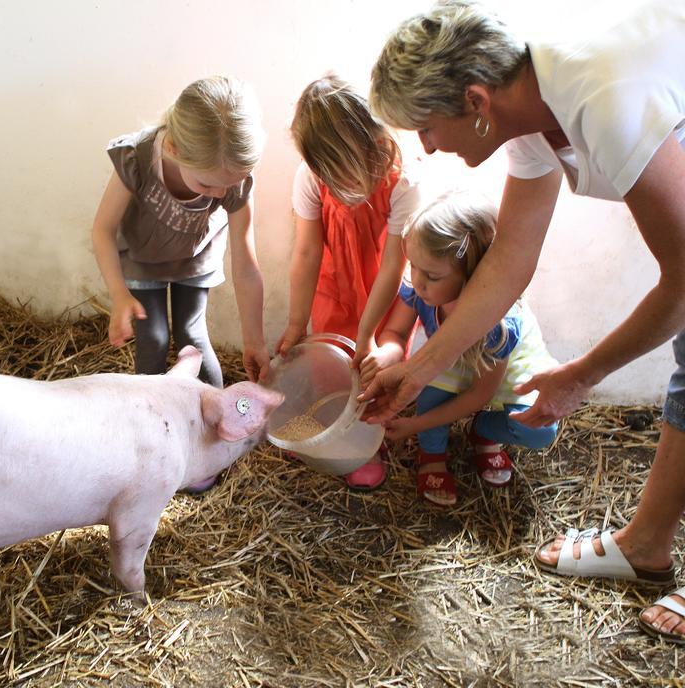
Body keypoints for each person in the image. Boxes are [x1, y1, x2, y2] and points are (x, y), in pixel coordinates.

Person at [366, 0, 685, 641]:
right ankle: (647, 543)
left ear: (477, 103)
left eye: (426, 127)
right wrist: (421, 366)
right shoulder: (531, 111)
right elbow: (509, 259)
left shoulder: (603, 103)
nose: (427, 147)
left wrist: (582, 375)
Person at [91, 76, 269, 493]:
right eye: (209, 186)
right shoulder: (138, 157)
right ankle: (152, 439)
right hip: (141, 260)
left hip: (195, 259)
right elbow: (102, 230)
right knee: (152, 336)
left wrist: (255, 338)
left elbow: (245, 261)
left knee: (193, 335)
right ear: (172, 148)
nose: (222, 193)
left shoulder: (231, 175)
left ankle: (217, 435)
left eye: (231, 184)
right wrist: (118, 296)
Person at [363, 191, 557, 506]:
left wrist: (414, 425)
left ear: (473, 275)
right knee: (429, 395)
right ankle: (433, 455)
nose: (418, 281)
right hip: (451, 357)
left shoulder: (498, 325)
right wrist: (388, 353)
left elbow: (480, 393)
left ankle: (485, 432)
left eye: (433, 275)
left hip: (499, 367)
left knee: (540, 430)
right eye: (414, 266)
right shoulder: (418, 291)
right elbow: (396, 331)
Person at [277, 75, 421, 490]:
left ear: (374, 147)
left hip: (384, 292)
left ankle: (369, 439)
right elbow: (306, 253)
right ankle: (326, 431)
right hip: (335, 284)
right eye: (331, 175)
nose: (338, 185)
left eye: (347, 174)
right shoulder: (310, 177)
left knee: (375, 365)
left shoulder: (403, 181)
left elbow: (394, 264)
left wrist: (366, 335)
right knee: (328, 364)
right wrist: (295, 323)